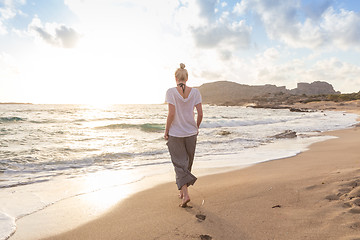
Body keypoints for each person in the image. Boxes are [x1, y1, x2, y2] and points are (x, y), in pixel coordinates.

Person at [164, 63, 203, 208]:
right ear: (187, 78)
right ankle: (182, 191)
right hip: (191, 133)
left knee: (179, 163)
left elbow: (171, 114)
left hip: (176, 134)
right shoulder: (196, 92)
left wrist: (166, 130)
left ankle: (185, 194)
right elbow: (200, 114)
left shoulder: (171, 92)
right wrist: (196, 127)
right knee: (187, 163)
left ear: (175, 78)